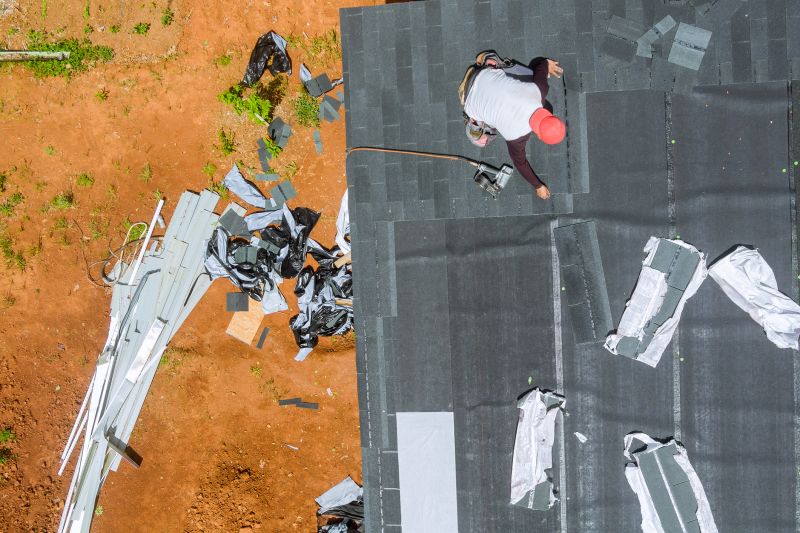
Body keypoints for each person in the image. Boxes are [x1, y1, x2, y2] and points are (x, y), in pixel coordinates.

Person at [462, 56, 565, 200]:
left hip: (483, 74)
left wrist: (548, 64)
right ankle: (472, 121)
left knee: (530, 78)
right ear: (539, 136)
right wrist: (538, 186)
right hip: (467, 98)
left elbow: (541, 63)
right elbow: (520, 163)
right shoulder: (516, 137)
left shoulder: (539, 90)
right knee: (481, 139)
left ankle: (492, 63)